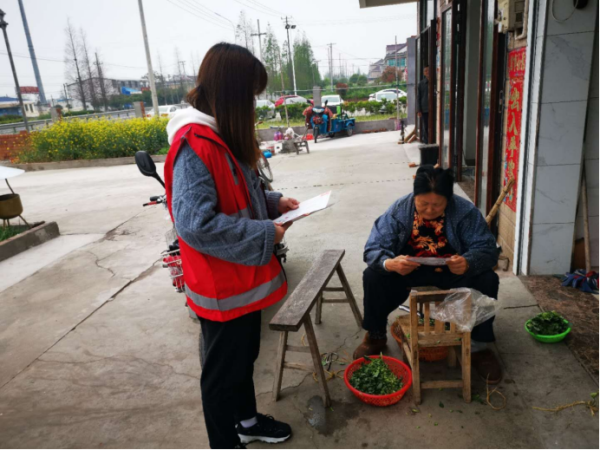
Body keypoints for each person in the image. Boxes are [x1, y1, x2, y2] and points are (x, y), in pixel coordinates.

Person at [164, 43, 297, 449]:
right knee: (221, 377)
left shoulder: (221, 136)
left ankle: (247, 421)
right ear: (232, 94)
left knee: (243, 360)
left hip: (243, 279)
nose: (253, 106)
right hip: (222, 287)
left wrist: (274, 204)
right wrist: (264, 234)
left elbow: (237, 193)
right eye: (251, 97)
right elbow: (196, 225)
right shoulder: (194, 144)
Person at [355, 165, 502, 384]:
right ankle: (376, 335)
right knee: (373, 276)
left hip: (452, 272)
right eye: (423, 203)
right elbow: (373, 248)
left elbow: (488, 249)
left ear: (449, 200)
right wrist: (390, 263)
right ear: (414, 195)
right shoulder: (399, 210)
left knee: (488, 279)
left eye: (437, 205)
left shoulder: (465, 212)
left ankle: (478, 346)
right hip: (408, 271)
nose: (430, 210)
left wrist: (468, 262)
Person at [417, 66, 430, 144]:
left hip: (434, 108)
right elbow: (418, 97)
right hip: (425, 108)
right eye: (425, 71)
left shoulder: (436, 81)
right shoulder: (421, 84)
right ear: (424, 73)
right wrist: (419, 110)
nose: (427, 72)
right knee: (425, 126)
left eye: (428, 70)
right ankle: (426, 141)